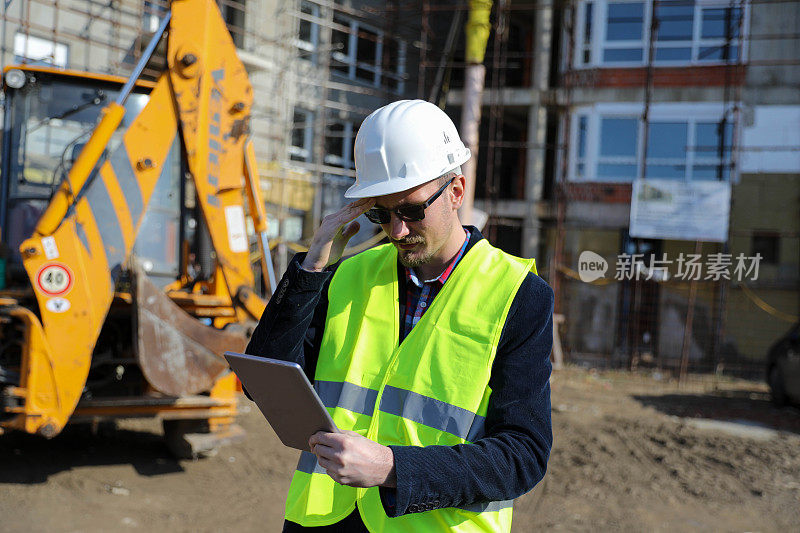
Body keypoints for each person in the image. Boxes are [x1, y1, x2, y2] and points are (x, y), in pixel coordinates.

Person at [245, 99, 553, 532]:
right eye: (380, 214)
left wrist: (392, 468)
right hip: (323, 521)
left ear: (456, 192)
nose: (397, 230)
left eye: (410, 211)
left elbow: (523, 455)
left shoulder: (517, 295)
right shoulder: (345, 276)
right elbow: (263, 382)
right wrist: (311, 267)